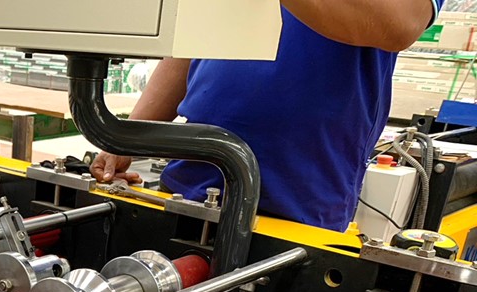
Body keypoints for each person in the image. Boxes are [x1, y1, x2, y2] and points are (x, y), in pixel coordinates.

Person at [90, 0, 443, 232]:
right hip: (193, 177)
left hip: (299, 197)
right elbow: (190, 44)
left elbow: (398, 23)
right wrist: (126, 137)